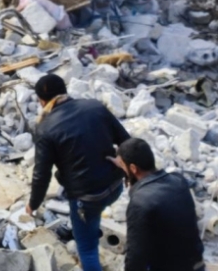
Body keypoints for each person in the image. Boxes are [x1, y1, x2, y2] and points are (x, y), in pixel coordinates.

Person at [26, 74, 131, 271]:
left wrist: (33, 204)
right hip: (115, 187)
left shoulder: (45, 128)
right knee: (92, 216)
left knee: (88, 249)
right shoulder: (94, 106)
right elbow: (127, 141)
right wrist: (128, 171)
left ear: (41, 101)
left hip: (88, 198)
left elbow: (42, 174)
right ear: (65, 91)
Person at [111, 138, 204, 271]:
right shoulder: (178, 180)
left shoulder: (140, 202)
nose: (124, 171)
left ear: (133, 168)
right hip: (196, 263)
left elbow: (136, 255)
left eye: (123, 166)